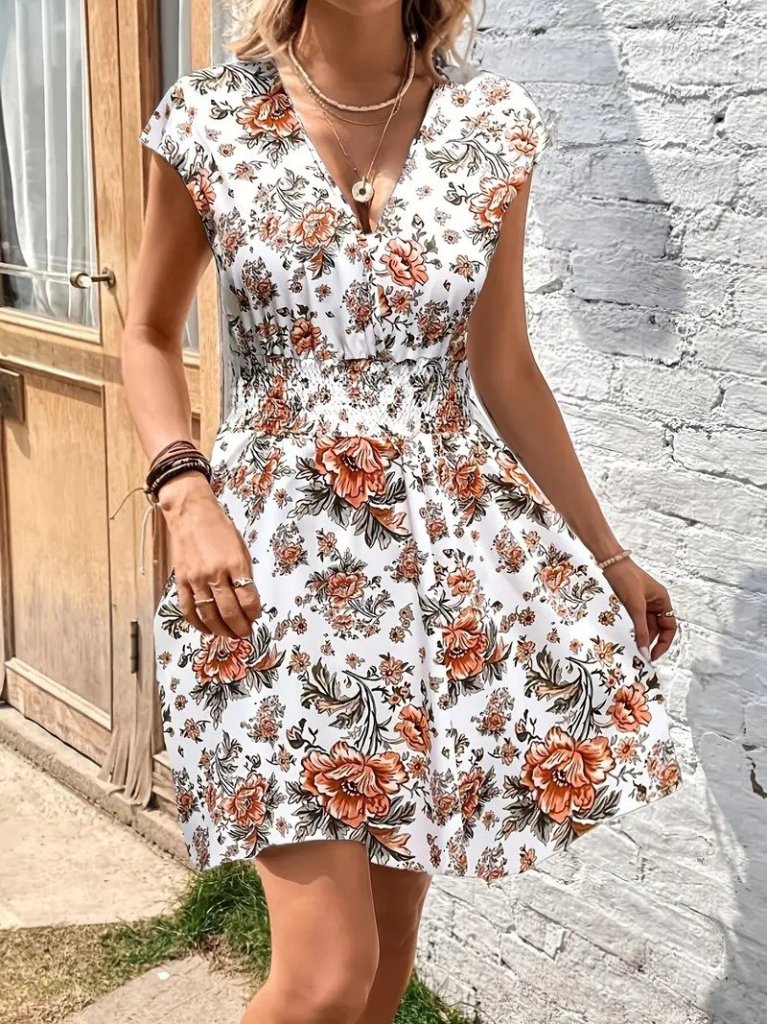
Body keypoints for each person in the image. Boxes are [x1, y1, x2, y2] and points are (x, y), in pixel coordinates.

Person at [122, 2, 685, 1021]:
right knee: (324, 978)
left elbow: (505, 369)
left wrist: (608, 555)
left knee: (382, 964)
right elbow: (149, 332)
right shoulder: (207, 117)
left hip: (437, 576)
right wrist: (182, 489)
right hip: (269, 570)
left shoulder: (491, 126)